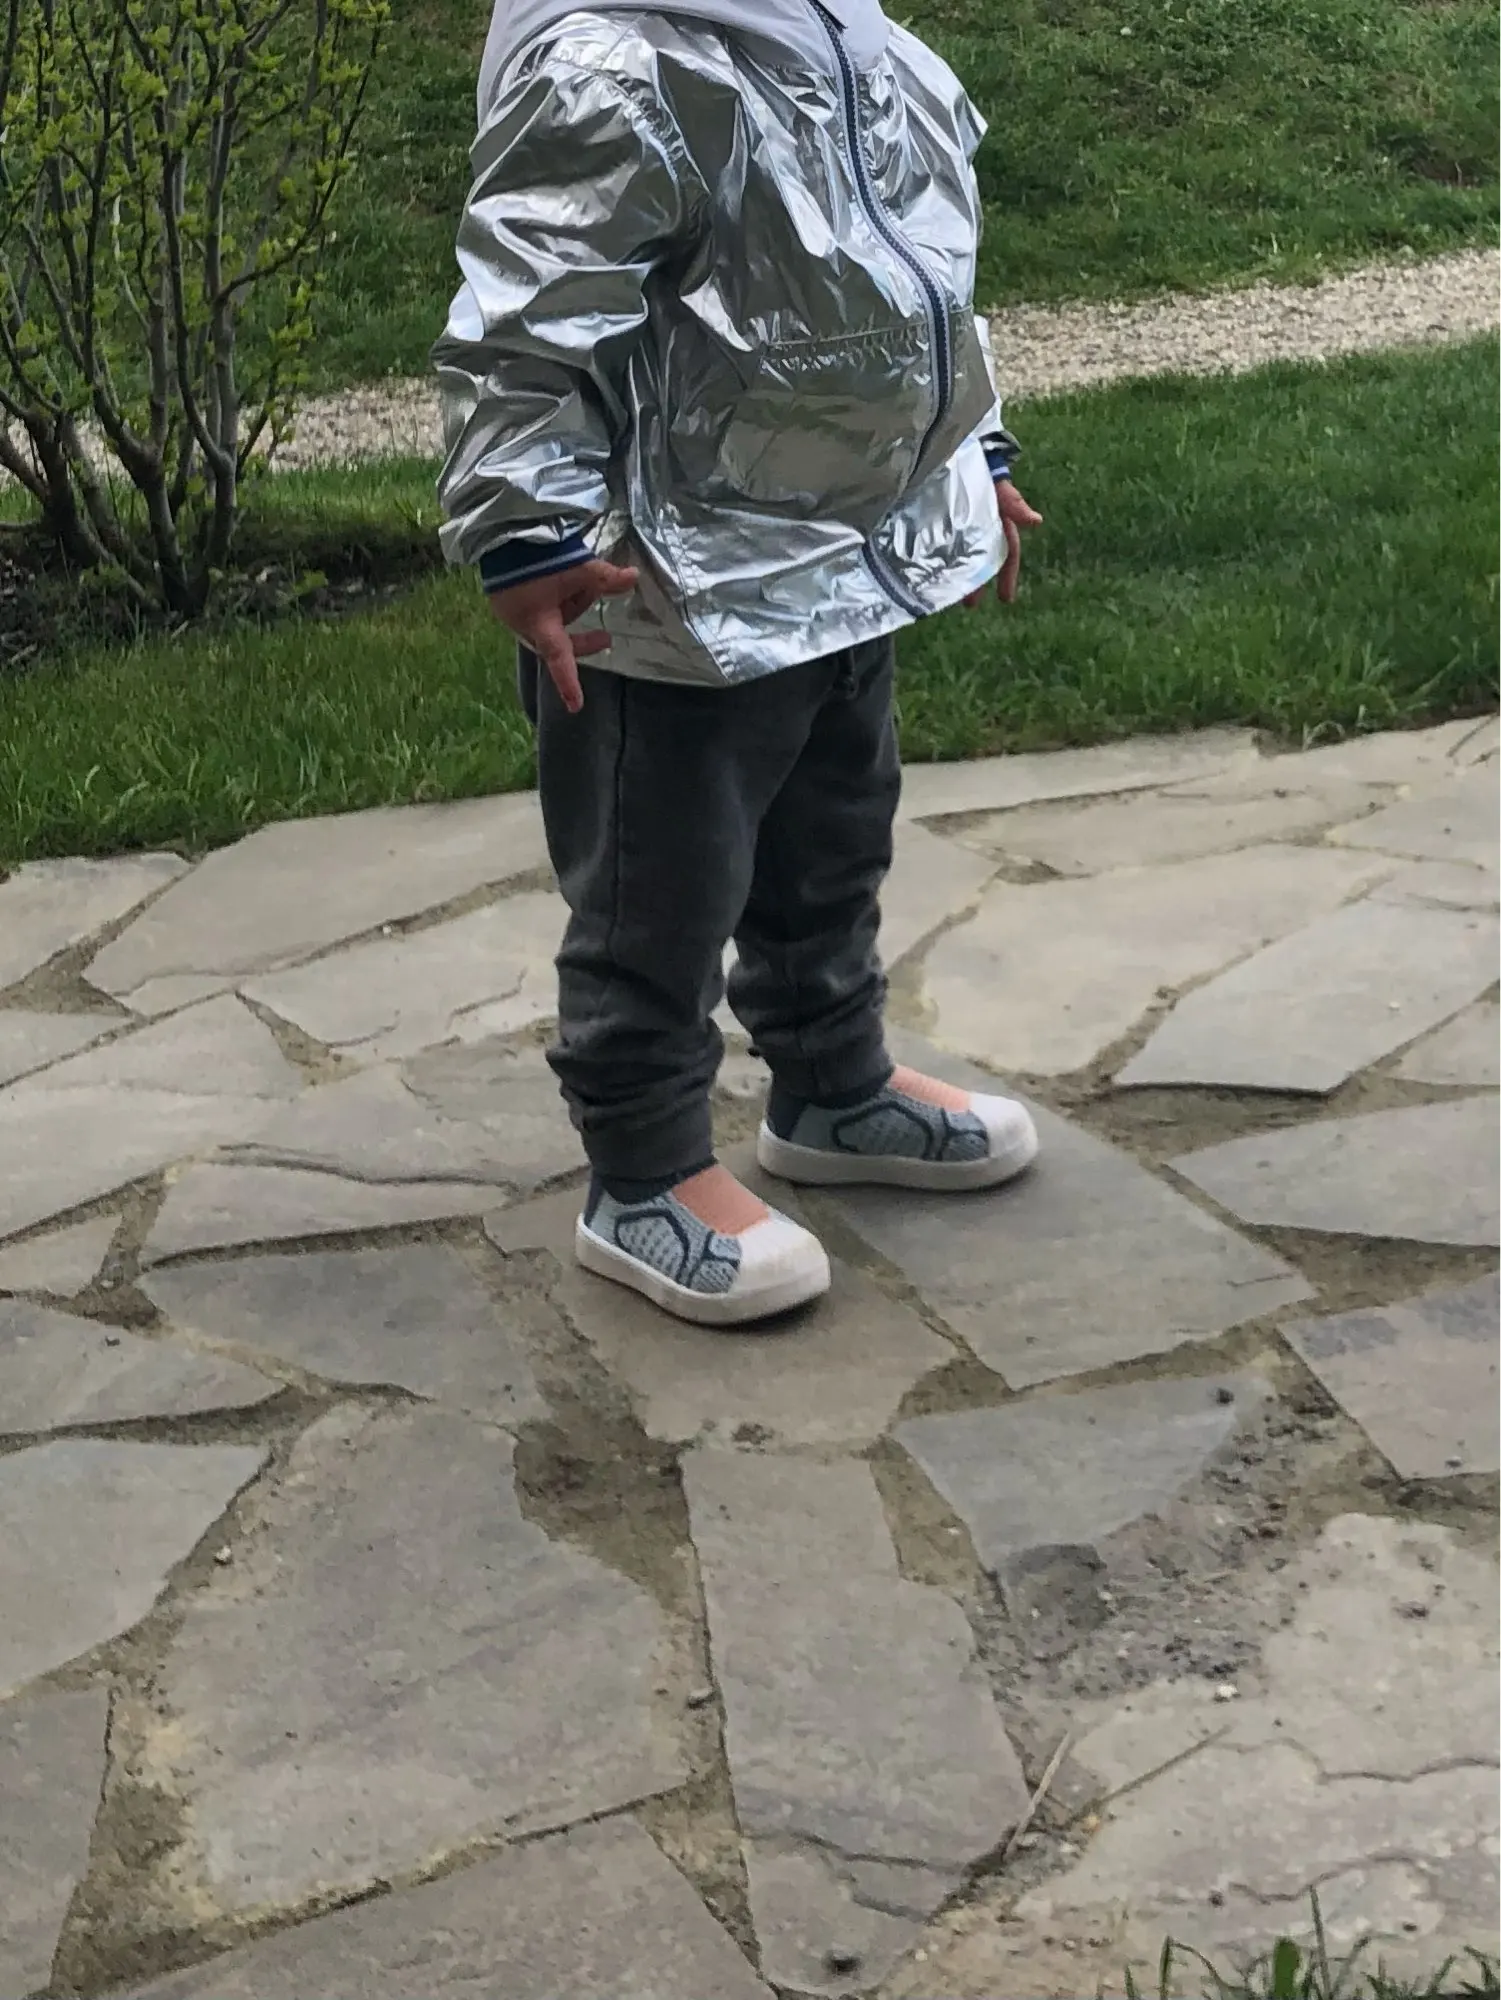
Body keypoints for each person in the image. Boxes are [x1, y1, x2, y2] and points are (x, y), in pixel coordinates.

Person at [435, 0, 1043, 1327]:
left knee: (833, 838)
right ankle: (644, 1168)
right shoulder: (611, 64)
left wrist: (973, 453)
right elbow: (531, 303)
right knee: (661, 883)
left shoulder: (865, 45)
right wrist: (524, 528)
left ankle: (832, 1083)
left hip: (843, 558)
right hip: (665, 586)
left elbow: (926, 279)